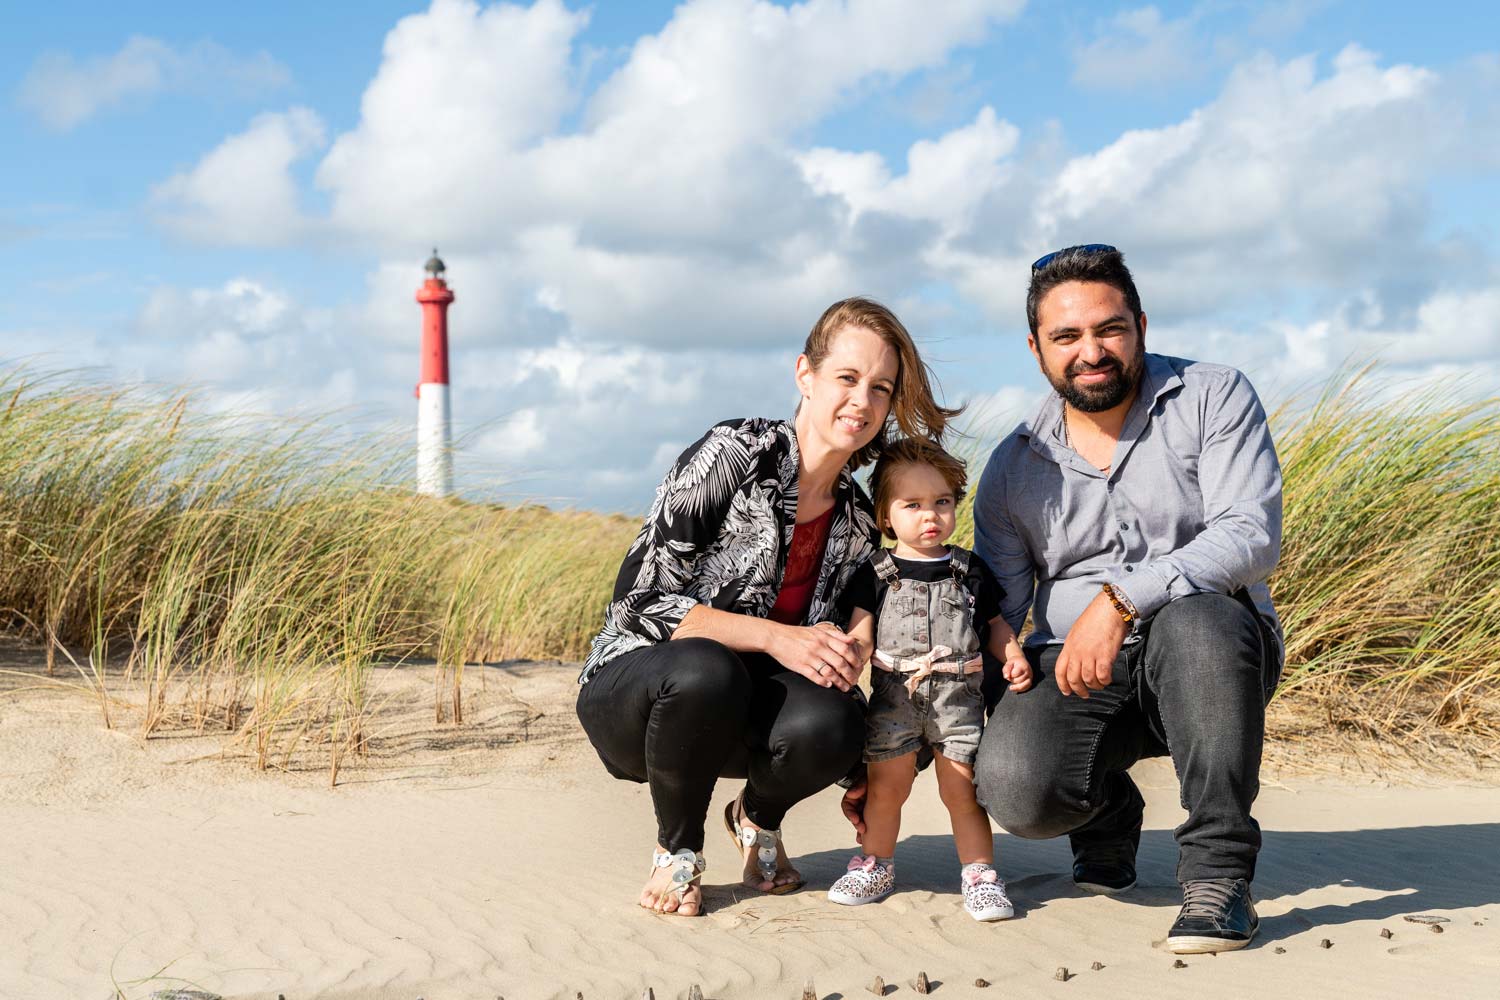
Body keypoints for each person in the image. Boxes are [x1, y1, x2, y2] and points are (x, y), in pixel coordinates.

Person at [577, 297, 959, 917]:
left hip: (740, 717)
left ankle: (756, 820)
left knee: (838, 718)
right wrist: (777, 638)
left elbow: (848, 624)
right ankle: (678, 852)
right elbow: (638, 600)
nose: (861, 401)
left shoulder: (860, 520)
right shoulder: (735, 453)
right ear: (805, 374)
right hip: (641, 700)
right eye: (847, 378)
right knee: (707, 666)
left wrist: (858, 745)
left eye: (880, 388)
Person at [970, 245, 1284, 954]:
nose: (1092, 351)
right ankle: (1106, 811)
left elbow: (1251, 534)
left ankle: (1218, 877)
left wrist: (1120, 602)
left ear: (1140, 324)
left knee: (1200, 620)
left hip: (1212, 652)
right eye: (1066, 336)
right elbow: (996, 610)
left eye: (1109, 329)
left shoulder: (1213, 395)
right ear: (1035, 348)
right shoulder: (1013, 467)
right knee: (1017, 789)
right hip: (1075, 669)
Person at [824, 437, 1032, 921]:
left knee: (960, 789)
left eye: (942, 502)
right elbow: (861, 633)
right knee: (886, 788)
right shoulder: (875, 572)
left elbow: (995, 625)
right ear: (885, 515)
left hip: (958, 699)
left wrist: (1013, 653)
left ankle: (980, 874)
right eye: (912, 505)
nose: (930, 516)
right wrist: (850, 657)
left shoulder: (969, 570)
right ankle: (875, 863)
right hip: (895, 699)